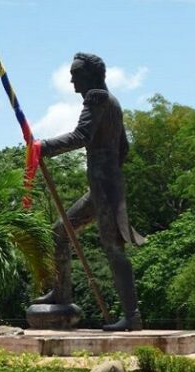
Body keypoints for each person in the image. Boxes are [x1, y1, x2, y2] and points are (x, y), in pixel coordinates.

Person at [32, 52, 144, 331]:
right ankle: (62, 293)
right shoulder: (113, 101)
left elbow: (82, 135)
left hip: (105, 187)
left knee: (113, 250)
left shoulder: (97, 97)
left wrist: (43, 147)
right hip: (103, 186)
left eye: (76, 73)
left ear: (92, 75)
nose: (71, 79)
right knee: (59, 232)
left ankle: (132, 316)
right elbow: (124, 148)